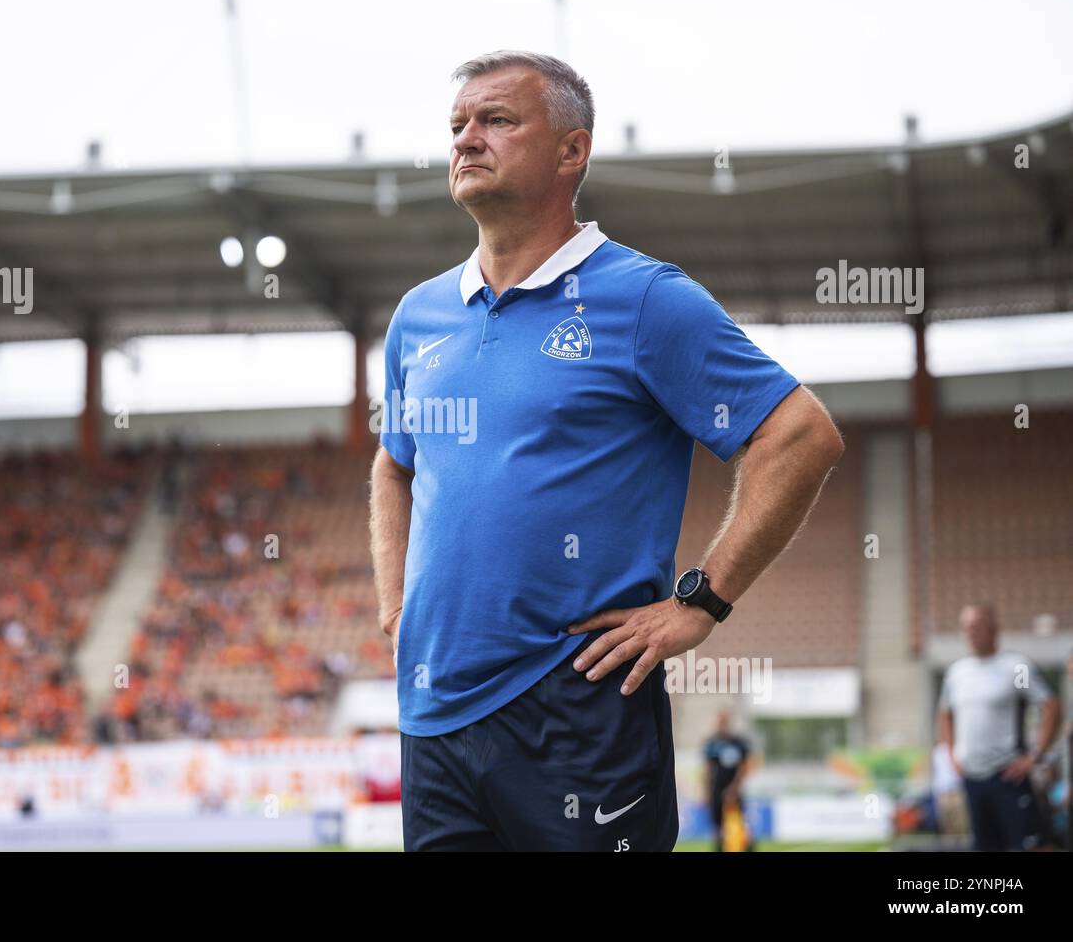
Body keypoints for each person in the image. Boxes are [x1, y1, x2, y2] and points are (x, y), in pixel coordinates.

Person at [369, 50, 844, 851]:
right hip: (433, 717)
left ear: (571, 150)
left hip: (579, 706)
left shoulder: (645, 297)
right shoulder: (418, 317)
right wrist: (395, 610)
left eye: (497, 120)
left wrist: (702, 600)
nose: (466, 140)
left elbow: (800, 435)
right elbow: (394, 463)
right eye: (457, 126)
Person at [938, 604, 1062, 851]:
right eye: (966, 628)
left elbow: (1050, 704)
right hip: (973, 778)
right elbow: (945, 713)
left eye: (977, 626)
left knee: (1030, 845)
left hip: (1008, 776)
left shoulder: (1015, 667)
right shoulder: (957, 673)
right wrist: (952, 754)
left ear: (994, 629)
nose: (971, 633)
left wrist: (1035, 755)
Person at [703, 711, 752, 851]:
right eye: (718, 722)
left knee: (739, 824)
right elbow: (707, 770)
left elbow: (742, 769)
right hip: (716, 790)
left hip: (734, 791)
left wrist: (734, 788)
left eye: (722, 722)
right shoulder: (711, 743)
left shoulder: (737, 743)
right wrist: (706, 792)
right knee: (717, 827)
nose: (720, 725)